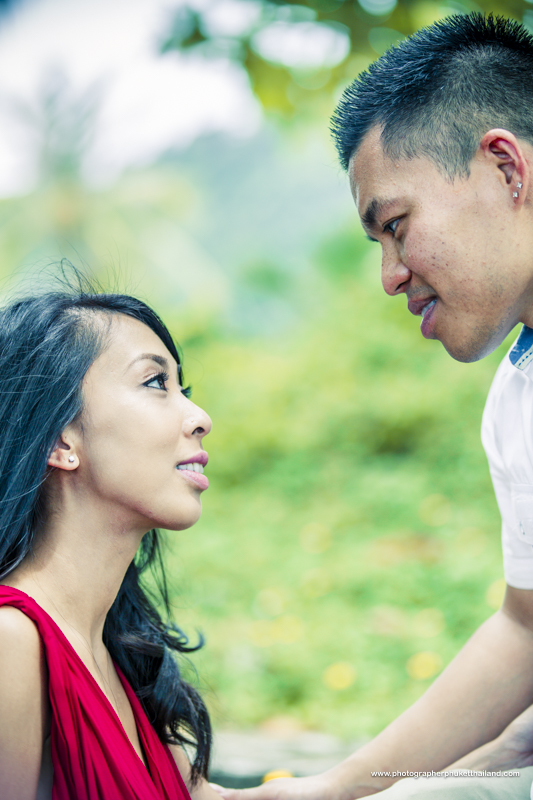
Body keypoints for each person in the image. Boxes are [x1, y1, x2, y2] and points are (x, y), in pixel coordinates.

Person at [212, 12, 533, 800]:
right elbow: (526, 629)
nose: (390, 275)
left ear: (505, 168)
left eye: (395, 226)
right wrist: (342, 788)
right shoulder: (515, 401)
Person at [0, 283, 225, 799]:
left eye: (183, 391)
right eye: (154, 383)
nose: (200, 418)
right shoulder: (11, 644)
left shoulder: (122, 661)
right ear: (60, 439)